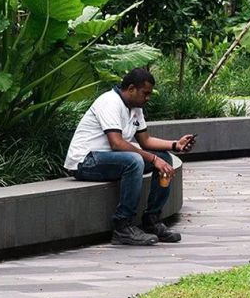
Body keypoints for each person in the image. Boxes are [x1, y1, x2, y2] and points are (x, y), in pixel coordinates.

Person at [64, 68, 196, 246]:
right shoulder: (110, 102)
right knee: (135, 161)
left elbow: (146, 141)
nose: (148, 98)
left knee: (165, 158)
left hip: (110, 160)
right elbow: (116, 143)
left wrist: (175, 145)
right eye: (145, 93)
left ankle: (152, 220)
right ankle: (122, 227)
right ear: (132, 88)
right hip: (85, 161)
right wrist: (152, 159)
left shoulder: (135, 108)